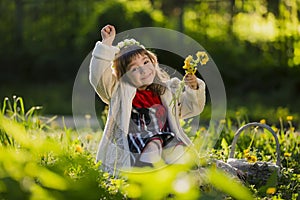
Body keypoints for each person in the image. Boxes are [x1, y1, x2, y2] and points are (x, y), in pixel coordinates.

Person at [89, 24, 206, 175]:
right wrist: (106, 44)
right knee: (154, 144)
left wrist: (193, 88)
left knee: (178, 148)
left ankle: (177, 179)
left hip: (165, 139)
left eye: (145, 62)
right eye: (134, 68)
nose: (143, 70)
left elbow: (190, 107)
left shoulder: (165, 91)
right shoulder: (119, 91)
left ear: (153, 61)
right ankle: (148, 179)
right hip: (136, 145)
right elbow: (99, 78)